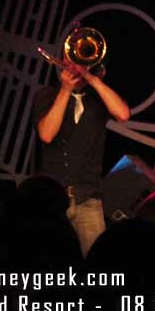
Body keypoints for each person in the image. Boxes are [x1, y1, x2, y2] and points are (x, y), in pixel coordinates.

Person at [34, 57, 130, 256]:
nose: (75, 68)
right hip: (51, 198)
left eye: (80, 63)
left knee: (94, 264)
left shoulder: (97, 101)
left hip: (88, 199)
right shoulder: (47, 95)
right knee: (46, 260)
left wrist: (90, 78)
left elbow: (123, 114)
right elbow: (46, 134)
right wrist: (66, 89)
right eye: (71, 63)